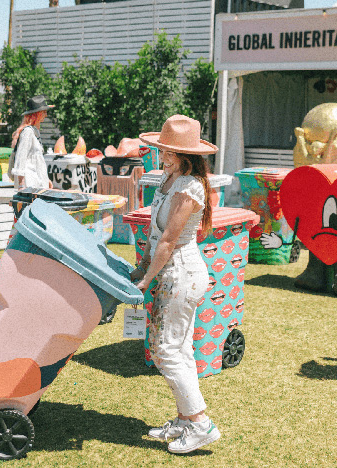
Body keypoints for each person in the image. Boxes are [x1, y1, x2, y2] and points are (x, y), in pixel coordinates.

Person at [131, 114, 221, 454]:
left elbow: (170, 240)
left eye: (167, 151)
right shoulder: (170, 178)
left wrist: (147, 280)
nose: (161, 154)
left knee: (168, 350)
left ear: (185, 155)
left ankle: (200, 424)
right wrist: (143, 266)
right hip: (171, 273)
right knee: (175, 349)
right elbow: (156, 233)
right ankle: (186, 420)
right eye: (161, 148)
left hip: (182, 273)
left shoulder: (190, 187)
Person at [10, 95, 54, 190]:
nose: (46, 115)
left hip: (36, 181)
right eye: (44, 112)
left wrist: (46, 180)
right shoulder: (28, 132)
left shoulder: (34, 131)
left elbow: (37, 160)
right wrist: (21, 185)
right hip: (29, 183)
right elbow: (21, 158)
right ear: (37, 114)